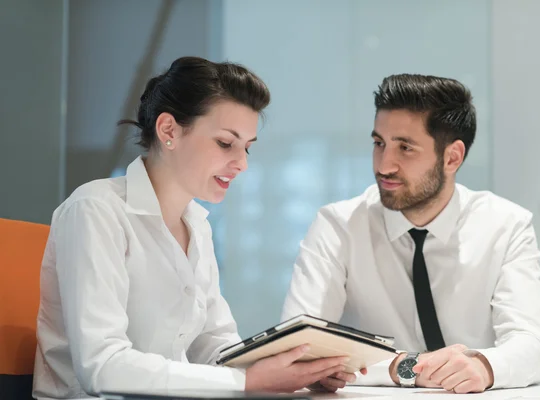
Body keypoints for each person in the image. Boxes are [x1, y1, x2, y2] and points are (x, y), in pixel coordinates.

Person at [33, 57, 354, 399]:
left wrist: (294, 371)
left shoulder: (197, 225)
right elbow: (102, 365)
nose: (242, 164)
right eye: (225, 143)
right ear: (169, 130)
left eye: (246, 147)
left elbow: (212, 344)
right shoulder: (95, 210)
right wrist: (248, 381)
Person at [282, 73, 540, 394]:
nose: (384, 165)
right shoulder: (338, 225)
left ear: (452, 157)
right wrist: (402, 367)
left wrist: (484, 365)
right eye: (379, 143)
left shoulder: (506, 225)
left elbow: (532, 345)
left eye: (405, 148)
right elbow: (301, 345)